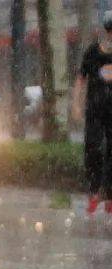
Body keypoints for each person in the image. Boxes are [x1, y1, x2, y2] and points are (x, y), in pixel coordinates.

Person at [73, 11, 112, 216]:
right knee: (93, 148)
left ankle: (110, 194)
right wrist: (76, 105)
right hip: (95, 109)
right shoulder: (92, 52)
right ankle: (94, 191)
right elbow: (81, 79)